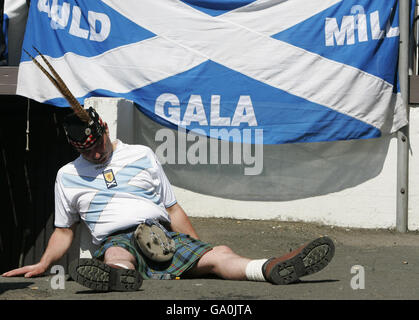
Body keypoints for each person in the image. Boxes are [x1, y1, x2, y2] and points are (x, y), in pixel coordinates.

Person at [2, 49, 335, 292]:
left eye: (99, 142)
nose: (97, 151)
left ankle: (271, 268)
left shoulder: (141, 155)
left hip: (159, 231)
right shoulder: (68, 176)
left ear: (104, 127)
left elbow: (173, 208)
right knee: (118, 253)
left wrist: (200, 249)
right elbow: (63, 230)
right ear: (76, 149)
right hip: (116, 239)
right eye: (87, 150)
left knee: (220, 255)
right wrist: (44, 264)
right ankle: (118, 277)